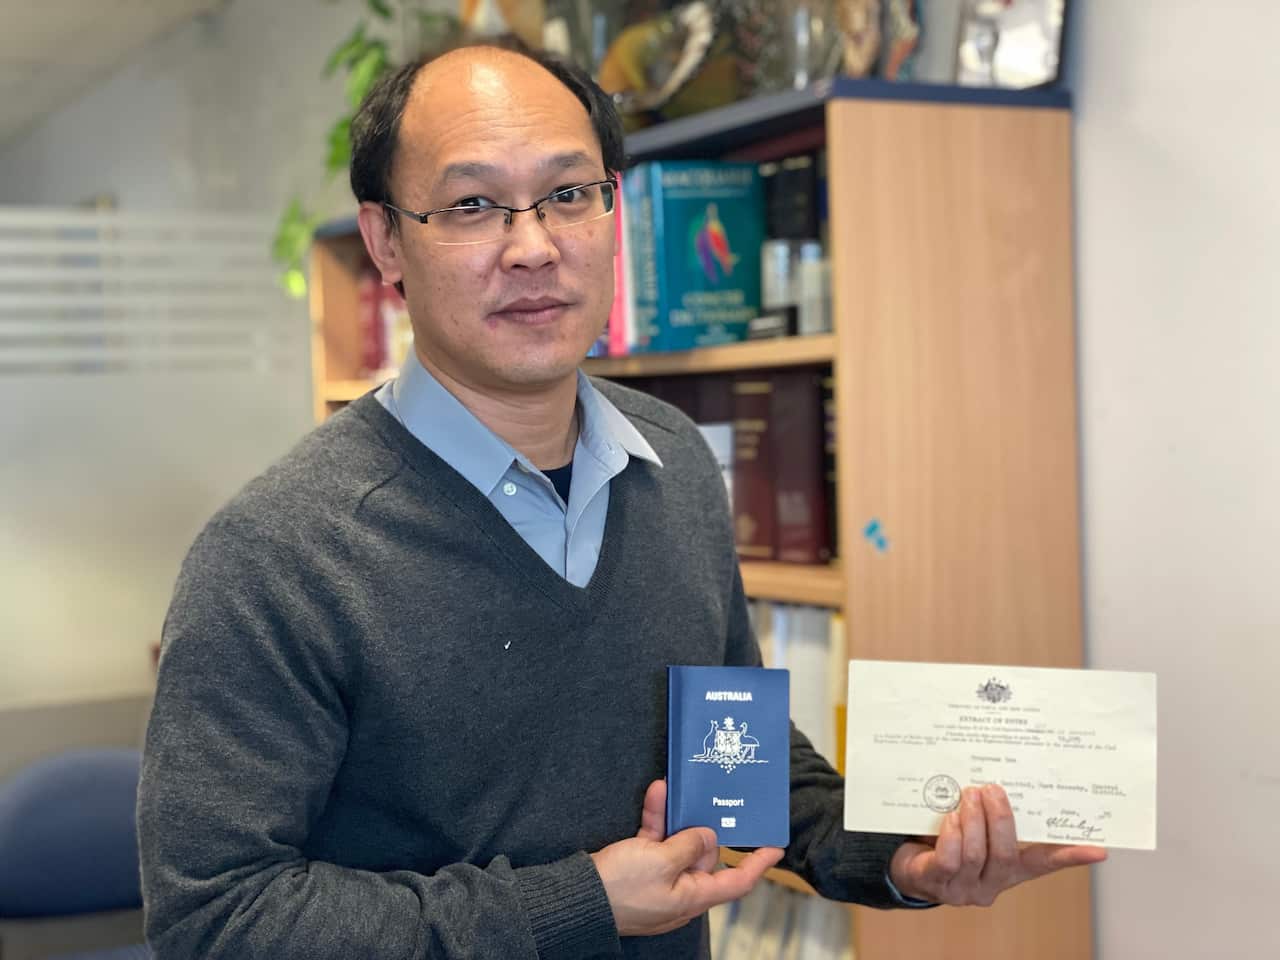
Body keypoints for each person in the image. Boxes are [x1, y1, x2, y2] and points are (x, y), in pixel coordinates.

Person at [137, 45, 1105, 960]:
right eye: (473, 205)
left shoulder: (673, 464)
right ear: (386, 240)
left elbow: (740, 757)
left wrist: (901, 857)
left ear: (610, 211)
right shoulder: (274, 557)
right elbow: (216, 917)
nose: (532, 247)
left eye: (567, 195)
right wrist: (583, 901)